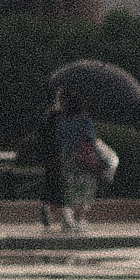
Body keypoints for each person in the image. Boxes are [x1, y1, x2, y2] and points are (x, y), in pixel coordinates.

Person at [55, 90, 101, 233]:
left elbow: (58, 138)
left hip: (66, 157)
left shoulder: (61, 120)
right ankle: (80, 220)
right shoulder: (84, 120)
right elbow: (91, 139)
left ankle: (67, 217)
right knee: (86, 188)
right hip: (83, 157)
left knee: (69, 187)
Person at [36, 89, 68, 230]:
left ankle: (47, 207)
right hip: (61, 155)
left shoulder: (49, 116)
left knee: (50, 183)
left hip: (49, 155)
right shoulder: (63, 117)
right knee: (62, 186)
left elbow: (42, 135)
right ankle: (64, 217)